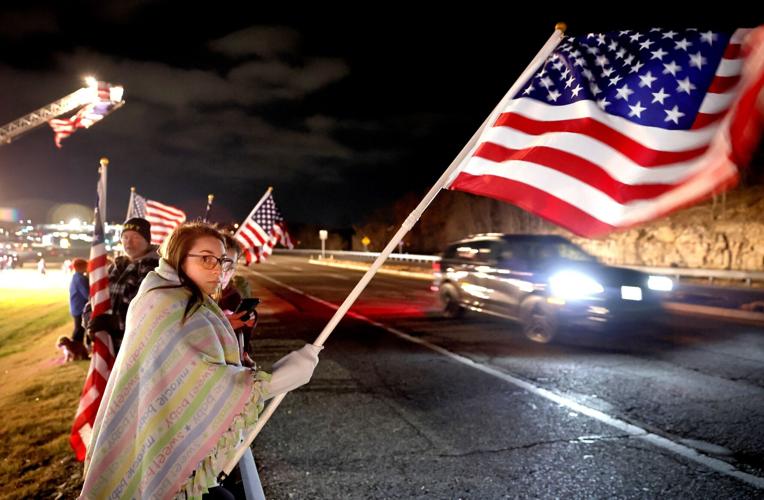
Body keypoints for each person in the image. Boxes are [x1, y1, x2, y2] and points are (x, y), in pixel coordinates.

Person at [80, 222, 321, 499]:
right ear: (179, 256)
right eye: (206, 258)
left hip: (167, 429)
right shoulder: (168, 303)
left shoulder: (184, 298)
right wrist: (280, 379)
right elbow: (203, 381)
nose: (217, 269)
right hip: (165, 438)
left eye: (221, 260)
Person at [83, 217, 160, 355]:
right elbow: (93, 300)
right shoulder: (113, 267)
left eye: (135, 237)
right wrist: (90, 321)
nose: (129, 242)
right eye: (125, 237)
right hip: (108, 348)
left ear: (147, 241)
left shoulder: (155, 268)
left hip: (137, 351)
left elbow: (150, 309)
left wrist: (115, 323)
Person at [219, 233, 256, 368]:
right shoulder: (187, 297)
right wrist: (221, 324)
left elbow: (243, 345)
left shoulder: (234, 297)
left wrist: (248, 323)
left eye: (230, 268)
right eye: (222, 265)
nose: (224, 273)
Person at [68, 258, 89, 347]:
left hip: (76, 307)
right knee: (79, 329)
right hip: (79, 307)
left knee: (79, 329)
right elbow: (86, 294)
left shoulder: (76, 277)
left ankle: (75, 347)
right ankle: (75, 348)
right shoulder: (80, 279)